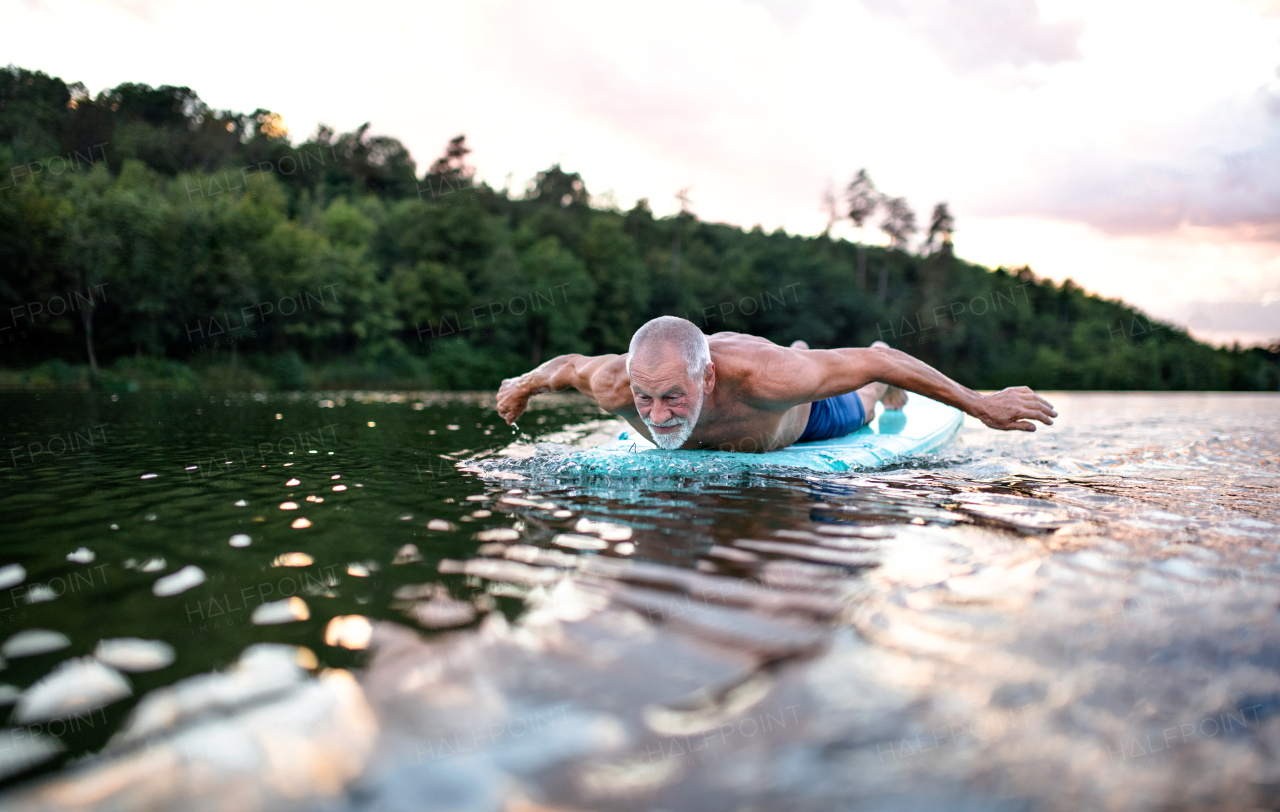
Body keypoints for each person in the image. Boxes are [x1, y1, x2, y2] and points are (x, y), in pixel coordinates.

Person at [496, 316, 1056, 453]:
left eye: (674, 398)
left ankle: (817, 366)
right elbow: (564, 366)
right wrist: (521, 385)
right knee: (796, 364)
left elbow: (875, 361)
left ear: (707, 377)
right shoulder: (616, 382)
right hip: (771, 371)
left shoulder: (764, 381)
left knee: (858, 392)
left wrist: (980, 403)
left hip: (804, 417)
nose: (658, 415)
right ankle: (801, 349)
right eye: (647, 399)